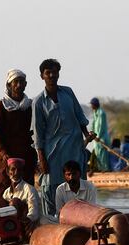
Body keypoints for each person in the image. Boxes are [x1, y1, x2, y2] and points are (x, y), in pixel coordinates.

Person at [32, 58, 95, 217]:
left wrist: (87, 134)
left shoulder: (68, 92)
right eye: (48, 73)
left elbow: (79, 116)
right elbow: (38, 133)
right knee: (52, 188)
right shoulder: (38, 102)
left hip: (74, 147)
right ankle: (54, 223)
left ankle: (82, 218)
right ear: (42, 76)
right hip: (53, 153)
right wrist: (42, 159)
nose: (52, 75)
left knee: (78, 184)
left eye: (55, 72)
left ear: (59, 74)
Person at [0, 69, 38, 206]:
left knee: (27, 190)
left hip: (26, 155)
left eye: (21, 82)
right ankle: (3, 221)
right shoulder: (2, 106)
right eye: (15, 82)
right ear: (10, 85)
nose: (19, 85)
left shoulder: (29, 106)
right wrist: (4, 153)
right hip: (7, 157)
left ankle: (27, 219)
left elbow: (35, 131)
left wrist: (36, 153)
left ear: (26, 84)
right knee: (5, 189)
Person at [1, 157, 41, 234]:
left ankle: (19, 232)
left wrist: (27, 220)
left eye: (19, 170)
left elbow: (34, 212)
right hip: (10, 224)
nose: (16, 173)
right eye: (13, 169)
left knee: (14, 202)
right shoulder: (6, 193)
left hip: (27, 224)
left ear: (22, 172)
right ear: (8, 172)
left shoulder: (29, 189)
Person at [88, 97, 110, 172]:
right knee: (97, 153)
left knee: (102, 154)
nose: (91, 106)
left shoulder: (101, 113)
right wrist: (91, 132)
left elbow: (101, 126)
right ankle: (100, 168)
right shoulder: (95, 113)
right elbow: (93, 124)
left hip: (101, 137)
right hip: (96, 138)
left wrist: (98, 136)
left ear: (95, 105)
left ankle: (105, 169)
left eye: (91, 105)